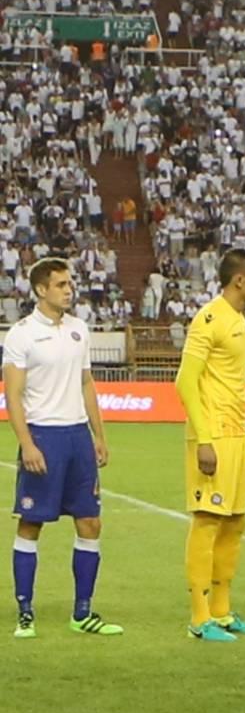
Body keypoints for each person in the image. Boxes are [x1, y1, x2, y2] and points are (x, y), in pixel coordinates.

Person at [5, 256, 118, 639]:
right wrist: (27, 444)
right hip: (44, 436)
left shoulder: (79, 330)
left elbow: (87, 383)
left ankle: (82, 612)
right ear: (41, 289)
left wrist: (98, 435)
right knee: (32, 523)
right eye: (61, 285)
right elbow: (13, 394)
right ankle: (25, 610)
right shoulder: (21, 334)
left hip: (77, 438)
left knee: (90, 522)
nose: (69, 290)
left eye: (70, 284)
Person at [174, 247, 245, 643]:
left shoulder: (239, 322)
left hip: (235, 434)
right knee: (208, 519)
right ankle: (199, 617)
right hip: (211, 434)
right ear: (239, 280)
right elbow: (185, 381)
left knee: (235, 521)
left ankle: (223, 612)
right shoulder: (209, 319)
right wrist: (205, 440)